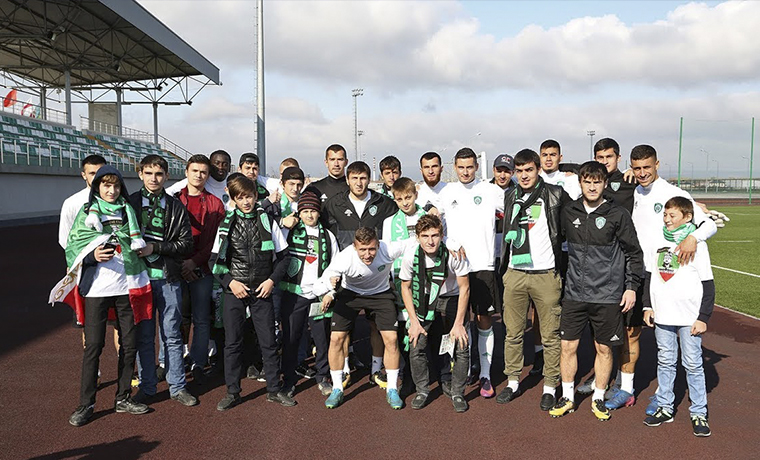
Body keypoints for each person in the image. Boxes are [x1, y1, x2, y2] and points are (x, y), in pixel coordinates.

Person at [605, 144, 717, 411]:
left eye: (647, 167)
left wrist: (693, 237)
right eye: (637, 168)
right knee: (630, 332)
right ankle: (627, 389)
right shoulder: (633, 190)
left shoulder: (673, 193)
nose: (642, 173)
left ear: (657, 164)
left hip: (666, 275)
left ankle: (662, 393)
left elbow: (709, 223)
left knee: (667, 339)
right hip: (636, 271)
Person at [50, 165, 152, 426]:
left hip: (127, 286)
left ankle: (123, 398)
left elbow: (135, 240)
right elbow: (73, 247)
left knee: (129, 344)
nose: (112, 190)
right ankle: (86, 404)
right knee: (94, 346)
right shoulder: (87, 213)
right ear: (97, 187)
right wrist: (92, 256)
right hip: (97, 290)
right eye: (106, 185)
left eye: (116, 185)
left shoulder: (128, 211)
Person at [549, 161, 643, 421]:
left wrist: (631, 287)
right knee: (567, 346)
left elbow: (634, 253)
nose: (592, 187)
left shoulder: (618, 214)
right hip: (574, 294)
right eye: (587, 182)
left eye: (597, 182)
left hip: (607, 295)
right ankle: (568, 397)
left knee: (604, 349)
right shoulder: (569, 211)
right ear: (580, 183)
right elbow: (557, 245)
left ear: (605, 183)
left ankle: (599, 398)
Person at [210, 175, 294, 411]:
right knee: (232, 343)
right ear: (234, 199)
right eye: (240, 198)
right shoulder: (226, 223)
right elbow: (214, 262)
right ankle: (232, 392)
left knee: (268, 343)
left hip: (262, 290)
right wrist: (231, 283)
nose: (246, 202)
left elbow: (284, 258)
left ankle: (274, 390)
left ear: (256, 196)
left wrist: (271, 281)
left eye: (249, 196)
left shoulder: (268, 221)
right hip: (235, 292)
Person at [496, 149, 571, 411]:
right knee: (513, 333)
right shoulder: (509, 194)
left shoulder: (555, 194)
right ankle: (513, 381)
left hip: (545, 273)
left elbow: (574, 217)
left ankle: (550, 386)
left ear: (538, 169)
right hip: (515, 273)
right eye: (519, 171)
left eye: (529, 170)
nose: (524, 175)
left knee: (550, 335)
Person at [313, 227, 413, 410]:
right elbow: (317, 287)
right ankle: (337, 389)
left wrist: (452, 243)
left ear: (378, 245)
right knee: (336, 339)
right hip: (350, 294)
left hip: (381, 294)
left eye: (372, 249)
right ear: (354, 247)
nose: (368, 255)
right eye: (363, 250)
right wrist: (329, 283)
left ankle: (392, 389)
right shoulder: (345, 258)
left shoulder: (388, 249)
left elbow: (418, 240)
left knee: (391, 339)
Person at [129, 155, 198, 407]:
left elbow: (186, 244)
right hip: (139, 280)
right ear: (140, 174)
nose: (153, 179)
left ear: (166, 176)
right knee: (145, 336)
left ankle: (177, 386)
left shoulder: (176, 206)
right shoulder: (129, 203)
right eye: (148, 173)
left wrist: (155, 247)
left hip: (169, 279)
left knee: (172, 334)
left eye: (158, 174)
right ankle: (147, 387)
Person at [321, 160, 398, 384]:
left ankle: (376, 370)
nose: (359, 183)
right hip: (347, 279)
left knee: (376, 327)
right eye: (354, 178)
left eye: (363, 178)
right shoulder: (335, 204)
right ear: (347, 180)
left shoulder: (383, 203)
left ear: (369, 179)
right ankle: (345, 368)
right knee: (343, 330)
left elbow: (404, 219)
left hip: (376, 278)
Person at [643, 196, 714, 437]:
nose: (667, 219)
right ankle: (665, 407)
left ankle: (699, 412)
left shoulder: (697, 244)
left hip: (689, 318)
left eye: (672, 215)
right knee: (665, 361)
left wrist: (703, 317)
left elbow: (708, 284)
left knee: (693, 364)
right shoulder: (657, 239)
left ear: (687, 217)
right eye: (665, 214)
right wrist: (647, 306)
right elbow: (650, 275)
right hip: (663, 315)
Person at [439, 147, 504, 398]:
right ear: (454, 167)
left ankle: (485, 373)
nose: (465, 172)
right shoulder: (448, 192)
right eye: (461, 167)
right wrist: (448, 242)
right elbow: (432, 221)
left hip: (483, 265)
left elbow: (515, 206)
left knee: (483, 320)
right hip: (456, 267)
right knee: (458, 321)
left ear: (476, 167)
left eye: (469, 167)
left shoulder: (490, 190)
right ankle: (462, 370)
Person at [576, 137, 638, 396]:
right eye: (599, 158)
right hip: (600, 269)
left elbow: (662, 190)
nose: (604, 162)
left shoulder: (631, 181)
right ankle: (601, 376)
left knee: (629, 330)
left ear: (618, 158)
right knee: (600, 331)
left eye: (609, 157)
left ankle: (625, 383)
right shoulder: (591, 183)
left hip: (627, 263)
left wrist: (695, 205)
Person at [399, 215, 471, 412]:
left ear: (442, 236)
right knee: (416, 343)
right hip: (423, 299)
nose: (430, 241)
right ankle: (422, 390)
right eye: (425, 236)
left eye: (435, 235)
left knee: (461, 344)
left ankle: (457, 392)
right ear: (417, 237)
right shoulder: (410, 256)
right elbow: (405, 287)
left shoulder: (454, 253)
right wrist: (414, 321)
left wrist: (459, 323)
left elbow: (465, 288)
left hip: (451, 296)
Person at [279, 191, 340, 397]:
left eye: (313, 211)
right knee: (291, 338)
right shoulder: (289, 232)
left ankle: (322, 376)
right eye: (305, 211)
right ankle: (289, 379)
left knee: (321, 339)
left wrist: (330, 292)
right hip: (294, 294)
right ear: (299, 213)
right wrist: (282, 222)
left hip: (319, 295)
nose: (309, 215)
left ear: (318, 212)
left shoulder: (328, 236)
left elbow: (335, 266)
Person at [173, 154, 226, 382]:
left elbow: (215, 241)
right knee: (176, 318)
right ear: (186, 172)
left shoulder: (216, 204)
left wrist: (194, 262)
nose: (199, 175)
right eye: (195, 171)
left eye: (203, 172)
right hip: (177, 268)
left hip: (202, 269)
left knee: (202, 319)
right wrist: (182, 264)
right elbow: (169, 236)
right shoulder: (174, 200)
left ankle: (198, 361)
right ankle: (173, 361)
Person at [381, 177, 428, 391]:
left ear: (415, 194)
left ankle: (427, 374)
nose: (405, 203)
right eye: (399, 199)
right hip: (401, 278)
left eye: (408, 197)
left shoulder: (426, 216)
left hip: (425, 277)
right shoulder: (389, 222)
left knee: (424, 324)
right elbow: (387, 252)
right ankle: (406, 376)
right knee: (403, 326)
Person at [59, 154, 107, 249]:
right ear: (84, 175)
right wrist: (88, 255)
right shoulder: (71, 203)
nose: (97, 177)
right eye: (92, 173)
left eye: (100, 173)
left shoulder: (120, 201)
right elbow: (65, 239)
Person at [167, 150, 232, 209]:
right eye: (217, 163)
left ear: (229, 168)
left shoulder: (232, 184)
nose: (220, 167)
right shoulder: (199, 180)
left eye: (225, 164)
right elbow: (169, 192)